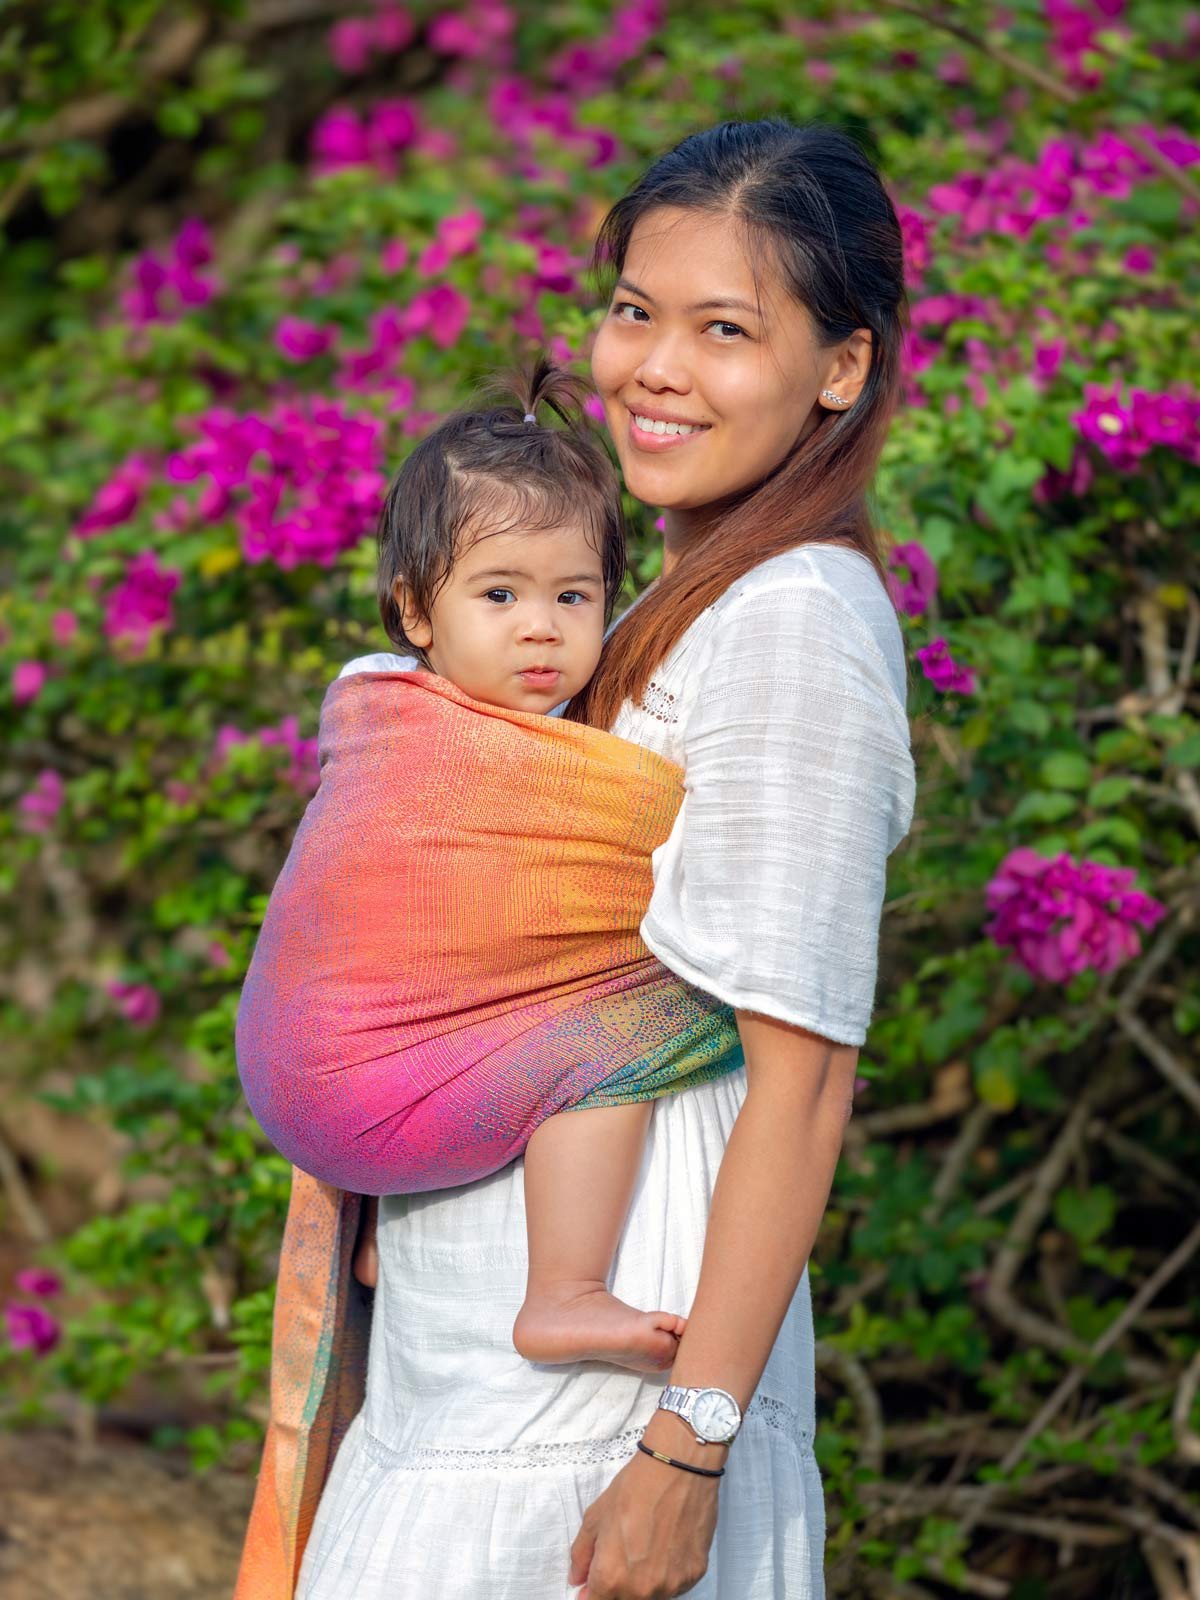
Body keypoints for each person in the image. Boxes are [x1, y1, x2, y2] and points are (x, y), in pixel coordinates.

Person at [236, 116, 916, 1600]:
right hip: (480, 1393)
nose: (655, 368)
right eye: (633, 310)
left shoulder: (796, 623)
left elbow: (803, 1082)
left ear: (841, 368)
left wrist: (688, 1452)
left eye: (724, 329)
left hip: (604, 1422)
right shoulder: (653, 589)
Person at [236, 360, 744, 1376]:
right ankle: (564, 1292)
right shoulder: (415, 741)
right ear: (417, 613)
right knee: (637, 1035)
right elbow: (656, 842)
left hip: (301, 1092)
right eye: (500, 593)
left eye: (573, 594)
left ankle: (385, 1227)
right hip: (359, 1081)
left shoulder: (387, 701)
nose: (540, 625)